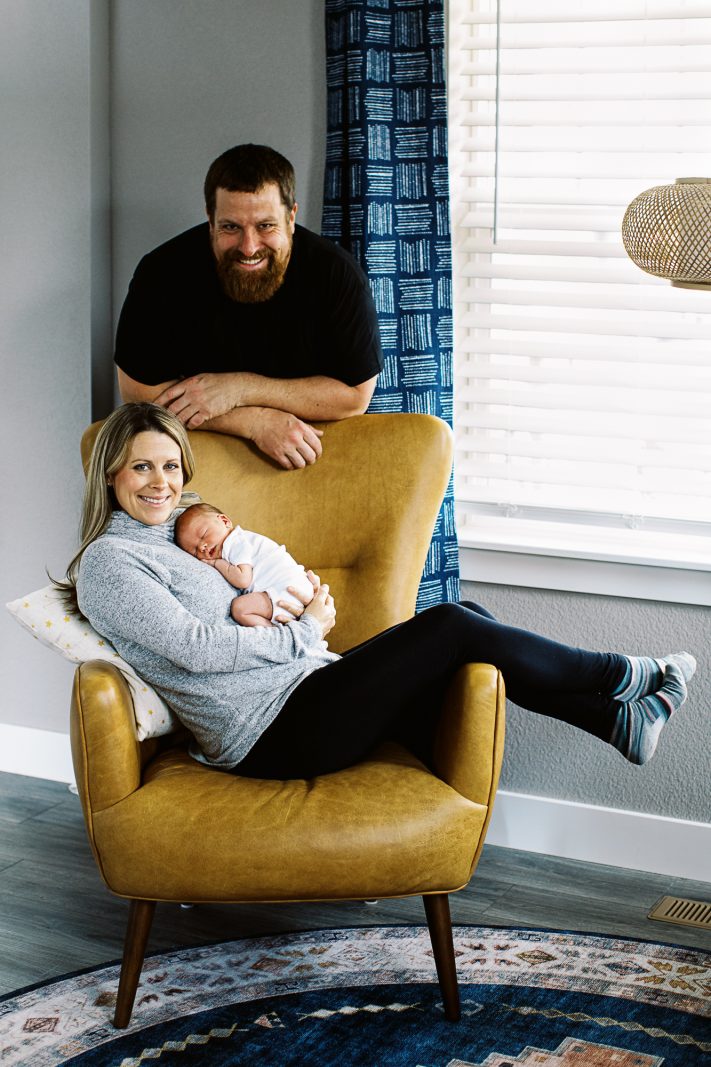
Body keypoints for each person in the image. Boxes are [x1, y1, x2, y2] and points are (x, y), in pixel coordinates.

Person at [61, 403, 696, 780]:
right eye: (142, 465)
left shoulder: (175, 534)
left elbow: (246, 584)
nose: (160, 482)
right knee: (450, 625)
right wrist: (304, 630)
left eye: (171, 466)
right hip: (266, 732)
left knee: (468, 621)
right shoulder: (110, 564)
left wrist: (301, 606)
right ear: (111, 472)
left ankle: (616, 720)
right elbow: (196, 650)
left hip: (305, 690)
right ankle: (622, 676)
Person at [114, 143, 383, 471]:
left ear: (291, 217)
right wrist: (252, 421)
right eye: (231, 227)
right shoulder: (161, 272)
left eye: (265, 226)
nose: (249, 246)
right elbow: (137, 390)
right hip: (200, 460)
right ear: (210, 220)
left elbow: (355, 396)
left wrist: (239, 388)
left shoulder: (337, 274)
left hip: (310, 457)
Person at [175, 501, 314, 628]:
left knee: (240, 609)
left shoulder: (235, 542)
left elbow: (242, 579)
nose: (202, 547)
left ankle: (275, 633)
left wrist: (217, 563)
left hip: (287, 589)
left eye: (203, 534)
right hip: (291, 591)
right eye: (193, 551)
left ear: (225, 521)